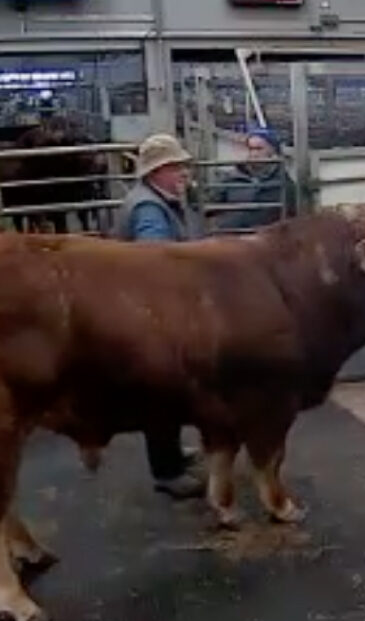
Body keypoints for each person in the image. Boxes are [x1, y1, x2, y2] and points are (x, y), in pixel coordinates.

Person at [111, 133, 206, 499]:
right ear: (157, 171)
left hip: (155, 309)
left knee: (169, 389)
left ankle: (171, 454)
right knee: (163, 389)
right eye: (176, 167)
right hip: (156, 313)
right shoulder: (150, 210)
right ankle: (166, 471)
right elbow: (156, 264)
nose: (184, 172)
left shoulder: (158, 201)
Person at [207, 126, 297, 231]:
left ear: (273, 151)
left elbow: (293, 219)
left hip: (265, 242)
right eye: (250, 149)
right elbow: (209, 206)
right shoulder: (231, 179)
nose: (254, 154)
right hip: (232, 239)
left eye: (259, 149)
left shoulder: (284, 184)